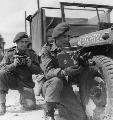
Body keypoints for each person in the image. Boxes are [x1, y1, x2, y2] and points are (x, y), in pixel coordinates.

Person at [40, 22, 87, 120]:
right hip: (49, 86)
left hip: (64, 88)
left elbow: (73, 73)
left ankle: (59, 105)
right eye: (64, 36)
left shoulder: (69, 49)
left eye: (68, 36)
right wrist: (64, 72)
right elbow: (48, 73)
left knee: (81, 116)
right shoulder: (47, 50)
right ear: (56, 37)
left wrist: (80, 64)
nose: (67, 39)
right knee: (57, 81)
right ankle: (49, 112)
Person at [0, 32, 42, 115]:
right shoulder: (9, 53)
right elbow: (2, 68)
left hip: (25, 83)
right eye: (22, 42)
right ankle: (2, 103)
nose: (24, 44)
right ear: (16, 42)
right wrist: (13, 65)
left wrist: (30, 65)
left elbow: (38, 71)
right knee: (1, 74)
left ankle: (23, 98)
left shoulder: (32, 54)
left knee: (30, 106)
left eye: (26, 42)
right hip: (12, 81)